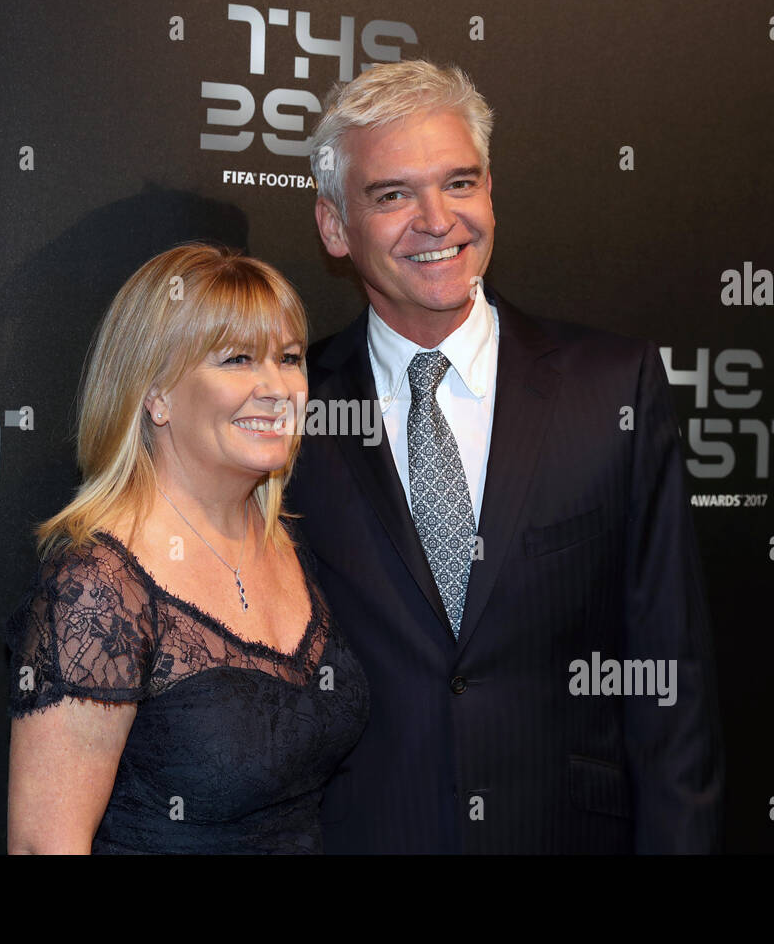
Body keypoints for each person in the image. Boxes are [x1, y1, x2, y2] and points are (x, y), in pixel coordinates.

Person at [290, 60, 724, 853]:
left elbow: (671, 675)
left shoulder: (611, 386)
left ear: (490, 192)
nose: (437, 220)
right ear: (333, 225)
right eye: (392, 195)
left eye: (460, 183)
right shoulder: (287, 408)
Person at [5, 243, 368, 854]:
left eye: (290, 358)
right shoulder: (99, 585)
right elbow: (45, 846)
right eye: (237, 359)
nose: (278, 388)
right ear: (156, 394)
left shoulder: (286, 540)